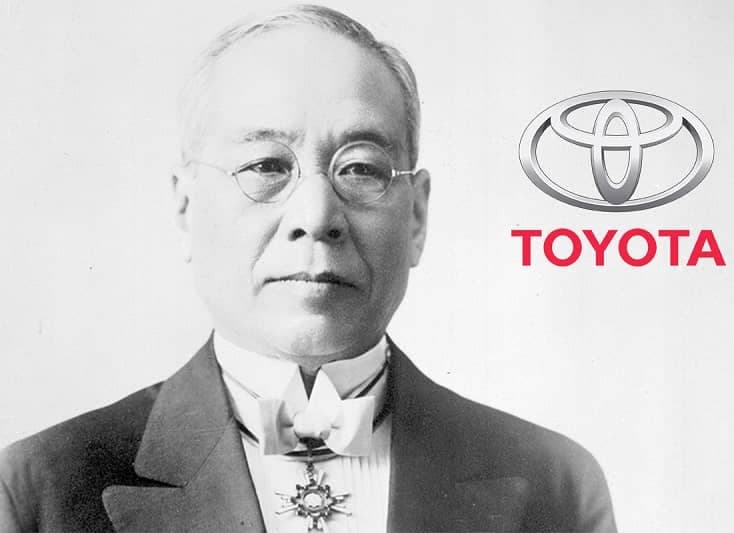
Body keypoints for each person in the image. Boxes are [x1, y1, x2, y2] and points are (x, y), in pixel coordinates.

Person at [0, 5, 616, 532]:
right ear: (186, 208)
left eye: (361, 169)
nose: (317, 216)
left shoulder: (555, 485)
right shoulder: (40, 490)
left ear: (417, 216)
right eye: (266, 166)